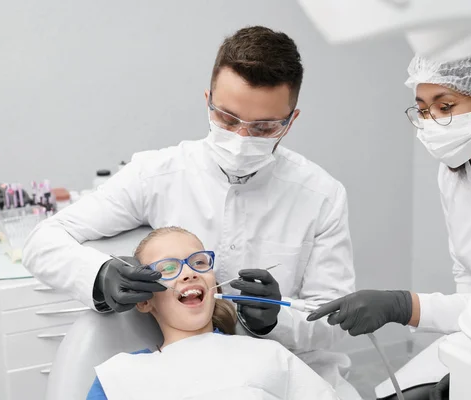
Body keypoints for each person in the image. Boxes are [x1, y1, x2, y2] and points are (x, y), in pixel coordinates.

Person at [23, 26, 359, 399]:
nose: (241, 139)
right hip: (186, 376)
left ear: (290, 120)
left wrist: (279, 318)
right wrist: (98, 276)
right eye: (229, 120)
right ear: (208, 100)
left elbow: (333, 321)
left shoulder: (321, 196)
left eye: (263, 128)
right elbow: (42, 242)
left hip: (287, 372)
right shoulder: (157, 175)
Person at [307, 45, 471, 400]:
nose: (431, 122)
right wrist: (463, 360)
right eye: (423, 110)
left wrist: (402, 306)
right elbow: (468, 284)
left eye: (445, 107)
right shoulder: (454, 174)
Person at [86, 227, 341, 399]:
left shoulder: (266, 354)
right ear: (144, 301)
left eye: (199, 262)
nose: (189, 272)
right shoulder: (121, 375)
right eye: (169, 267)